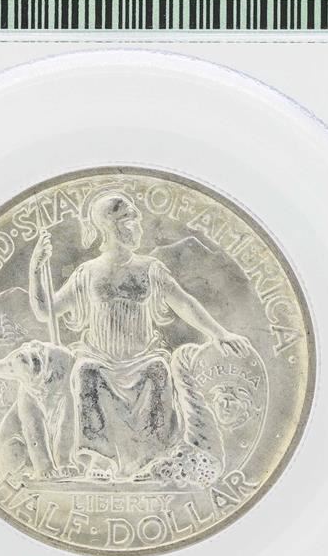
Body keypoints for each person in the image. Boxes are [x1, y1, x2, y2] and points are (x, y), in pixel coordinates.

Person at [29, 189, 251, 479]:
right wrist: (36, 269)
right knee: (86, 372)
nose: (138, 226)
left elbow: (184, 303)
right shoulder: (87, 273)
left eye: (135, 219)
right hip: (100, 358)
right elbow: (45, 311)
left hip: (144, 357)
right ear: (109, 226)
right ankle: (101, 459)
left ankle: (156, 458)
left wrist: (218, 333)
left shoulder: (150, 269)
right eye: (129, 219)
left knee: (159, 371)